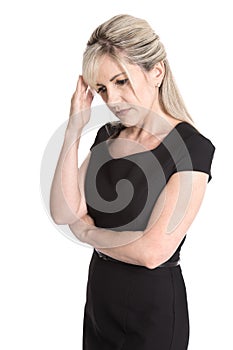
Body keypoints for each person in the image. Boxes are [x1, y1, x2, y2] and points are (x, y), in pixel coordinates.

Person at [50, 14, 215, 350]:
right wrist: (74, 127)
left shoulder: (192, 148)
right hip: (100, 301)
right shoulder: (106, 137)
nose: (111, 100)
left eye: (121, 81)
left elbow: (153, 252)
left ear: (157, 71)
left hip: (151, 312)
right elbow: (63, 210)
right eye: (102, 88)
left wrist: (88, 233)